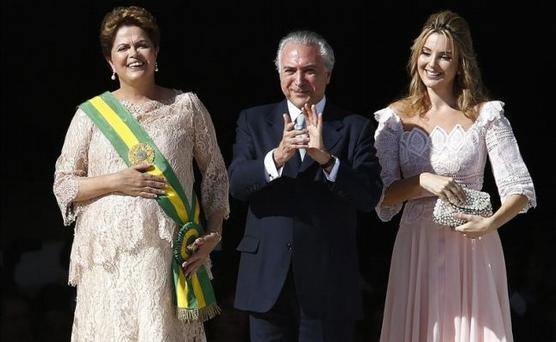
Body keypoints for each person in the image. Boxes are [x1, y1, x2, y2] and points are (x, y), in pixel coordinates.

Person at [52, 6, 229, 341]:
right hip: (108, 260)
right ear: (110, 60)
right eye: (123, 47)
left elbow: (216, 174)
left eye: (142, 44)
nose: (133, 53)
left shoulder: (186, 107)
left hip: (164, 257)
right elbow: (64, 185)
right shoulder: (89, 115)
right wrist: (116, 181)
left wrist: (214, 232)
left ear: (156, 52)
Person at [373, 10, 536, 342]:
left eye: (445, 56)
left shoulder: (485, 115)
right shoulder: (394, 119)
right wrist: (422, 181)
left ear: (461, 62)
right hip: (416, 246)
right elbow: (381, 196)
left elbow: (520, 188)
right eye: (427, 53)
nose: (433, 63)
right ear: (416, 55)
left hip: (471, 246)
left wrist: (489, 224)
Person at [228, 30, 383, 341]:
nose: (299, 80)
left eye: (309, 70)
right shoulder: (254, 121)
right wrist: (276, 158)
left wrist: (328, 161)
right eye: (290, 70)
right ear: (280, 73)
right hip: (266, 281)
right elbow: (236, 185)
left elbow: (369, 196)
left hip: (328, 284)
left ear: (327, 74)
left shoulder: (355, 127)